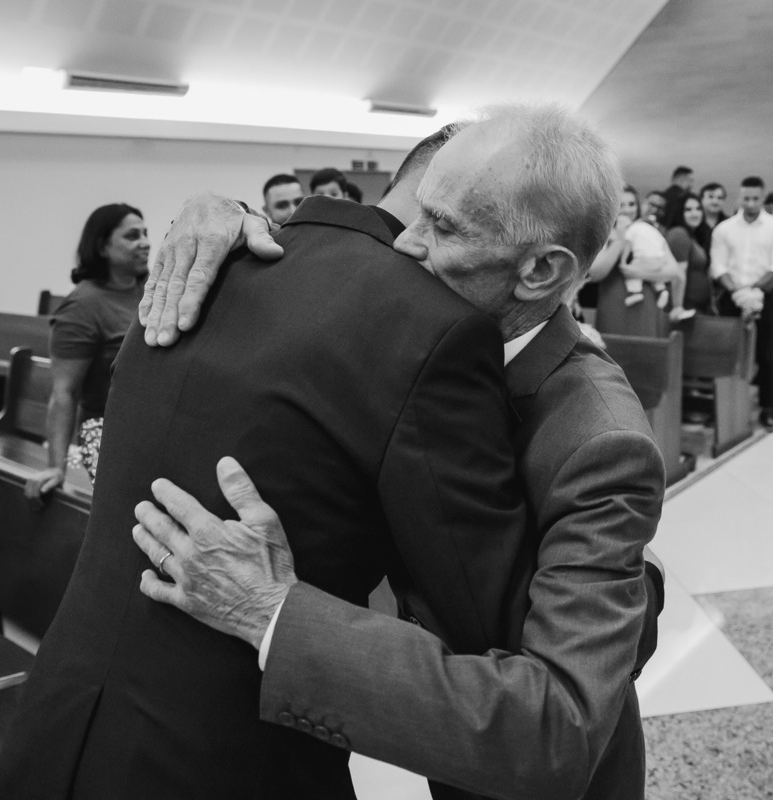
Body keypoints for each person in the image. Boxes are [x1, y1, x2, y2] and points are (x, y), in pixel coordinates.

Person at [136, 111, 665, 800]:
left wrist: (267, 612)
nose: (402, 246)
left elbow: (555, 729)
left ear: (540, 271)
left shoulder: (600, 439)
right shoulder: (428, 338)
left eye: (440, 227)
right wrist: (225, 215)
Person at [24, 204, 149, 501]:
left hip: (153, 422)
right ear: (102, 246)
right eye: (132, 236)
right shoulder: (82, 306)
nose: (145, 242)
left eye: (146, 233)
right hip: (106, 431)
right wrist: (56, 467)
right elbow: (64, 392)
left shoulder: (153, 290)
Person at [709, 175, 773, 430]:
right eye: (746, 198)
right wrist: (737, 291)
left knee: (765, 355)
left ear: (763, 197)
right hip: (731, 295)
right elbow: (718, 265)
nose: (750, 203)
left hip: (766, 296)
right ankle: (728, 410)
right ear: (740, 196)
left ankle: (768, 410)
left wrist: (755, 292)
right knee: (729, 354)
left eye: (755, 198)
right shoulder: (724, 229)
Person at [591, 186, 683, 336]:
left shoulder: (647, 230)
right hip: (614, 304)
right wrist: (621, 238)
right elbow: (596, 273)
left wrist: (641, 273)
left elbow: (673, 271)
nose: (627, 210)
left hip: (646, 305)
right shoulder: (603, 234)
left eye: (632, 204)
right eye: (621, 205)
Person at [666, 193, 713, 314]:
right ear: (680, 213)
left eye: (698, 209)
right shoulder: (679, 234)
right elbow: (678, 274)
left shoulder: (692, 235)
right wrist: (677, 307)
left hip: (695, 308)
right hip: (683, 308)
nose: (695, 213)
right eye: (688, 210)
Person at [695, 182, 729, 252]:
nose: (715, 201)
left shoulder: (729, 223)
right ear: (701, 199)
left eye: (720, 198)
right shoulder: (694, 223)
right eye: (711, 197)